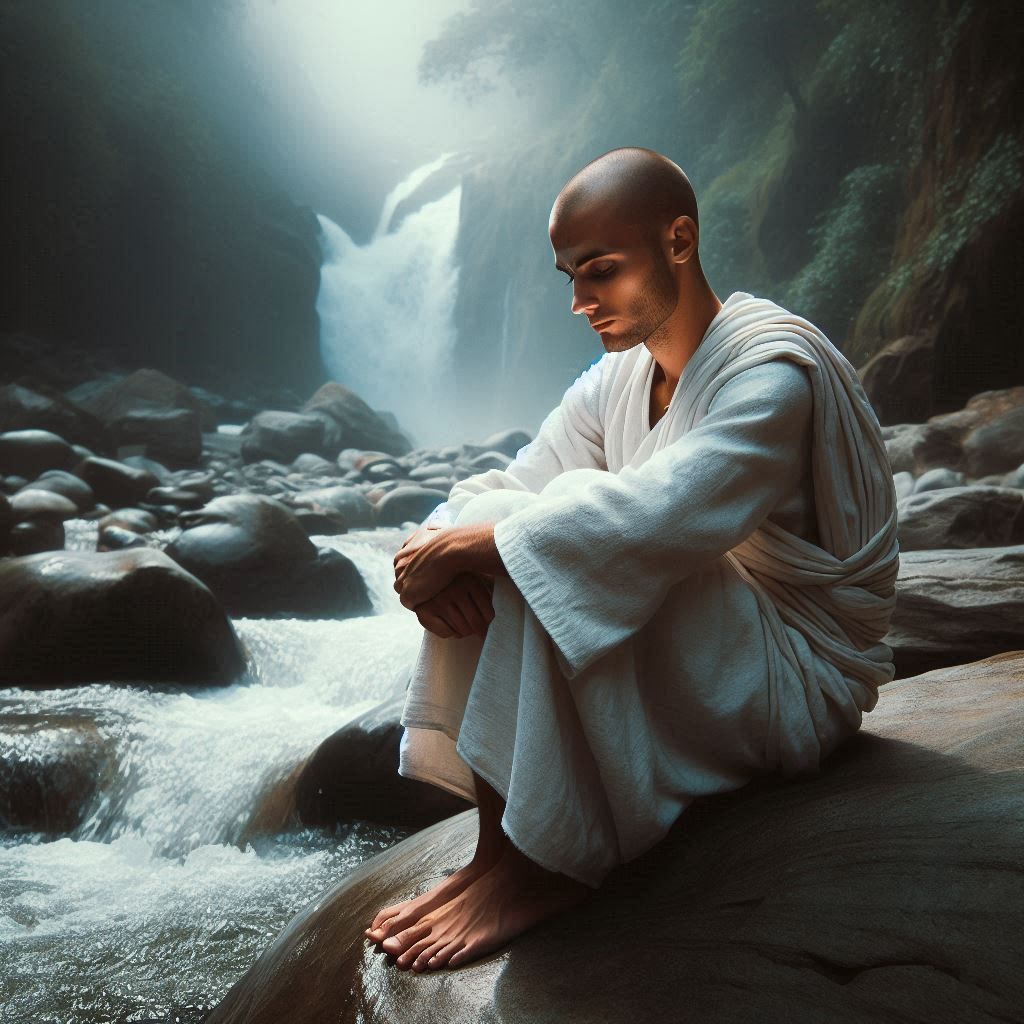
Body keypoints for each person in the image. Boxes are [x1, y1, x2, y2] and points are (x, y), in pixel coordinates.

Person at [364, 147, 899, 972]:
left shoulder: (771, 376)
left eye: (601, 271)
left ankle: (547, 866)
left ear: (678, 242)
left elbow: (658, 518)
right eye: (569, 276)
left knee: (534, 531)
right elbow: (512, 480)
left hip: (796, 675)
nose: (579, 301)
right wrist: (426, 548)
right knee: (499, 516)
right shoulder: (619, 377)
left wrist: (466, 548)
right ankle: (498, 854)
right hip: (717, 651)